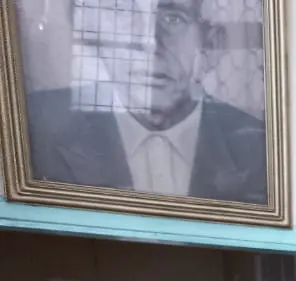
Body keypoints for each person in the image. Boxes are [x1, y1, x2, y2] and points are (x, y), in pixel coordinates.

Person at [23, 0, 267, 203]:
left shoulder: (260, 149)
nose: (149, 42)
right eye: (124, 12)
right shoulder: (34, 125)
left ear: (210, 44)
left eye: (173, 18)